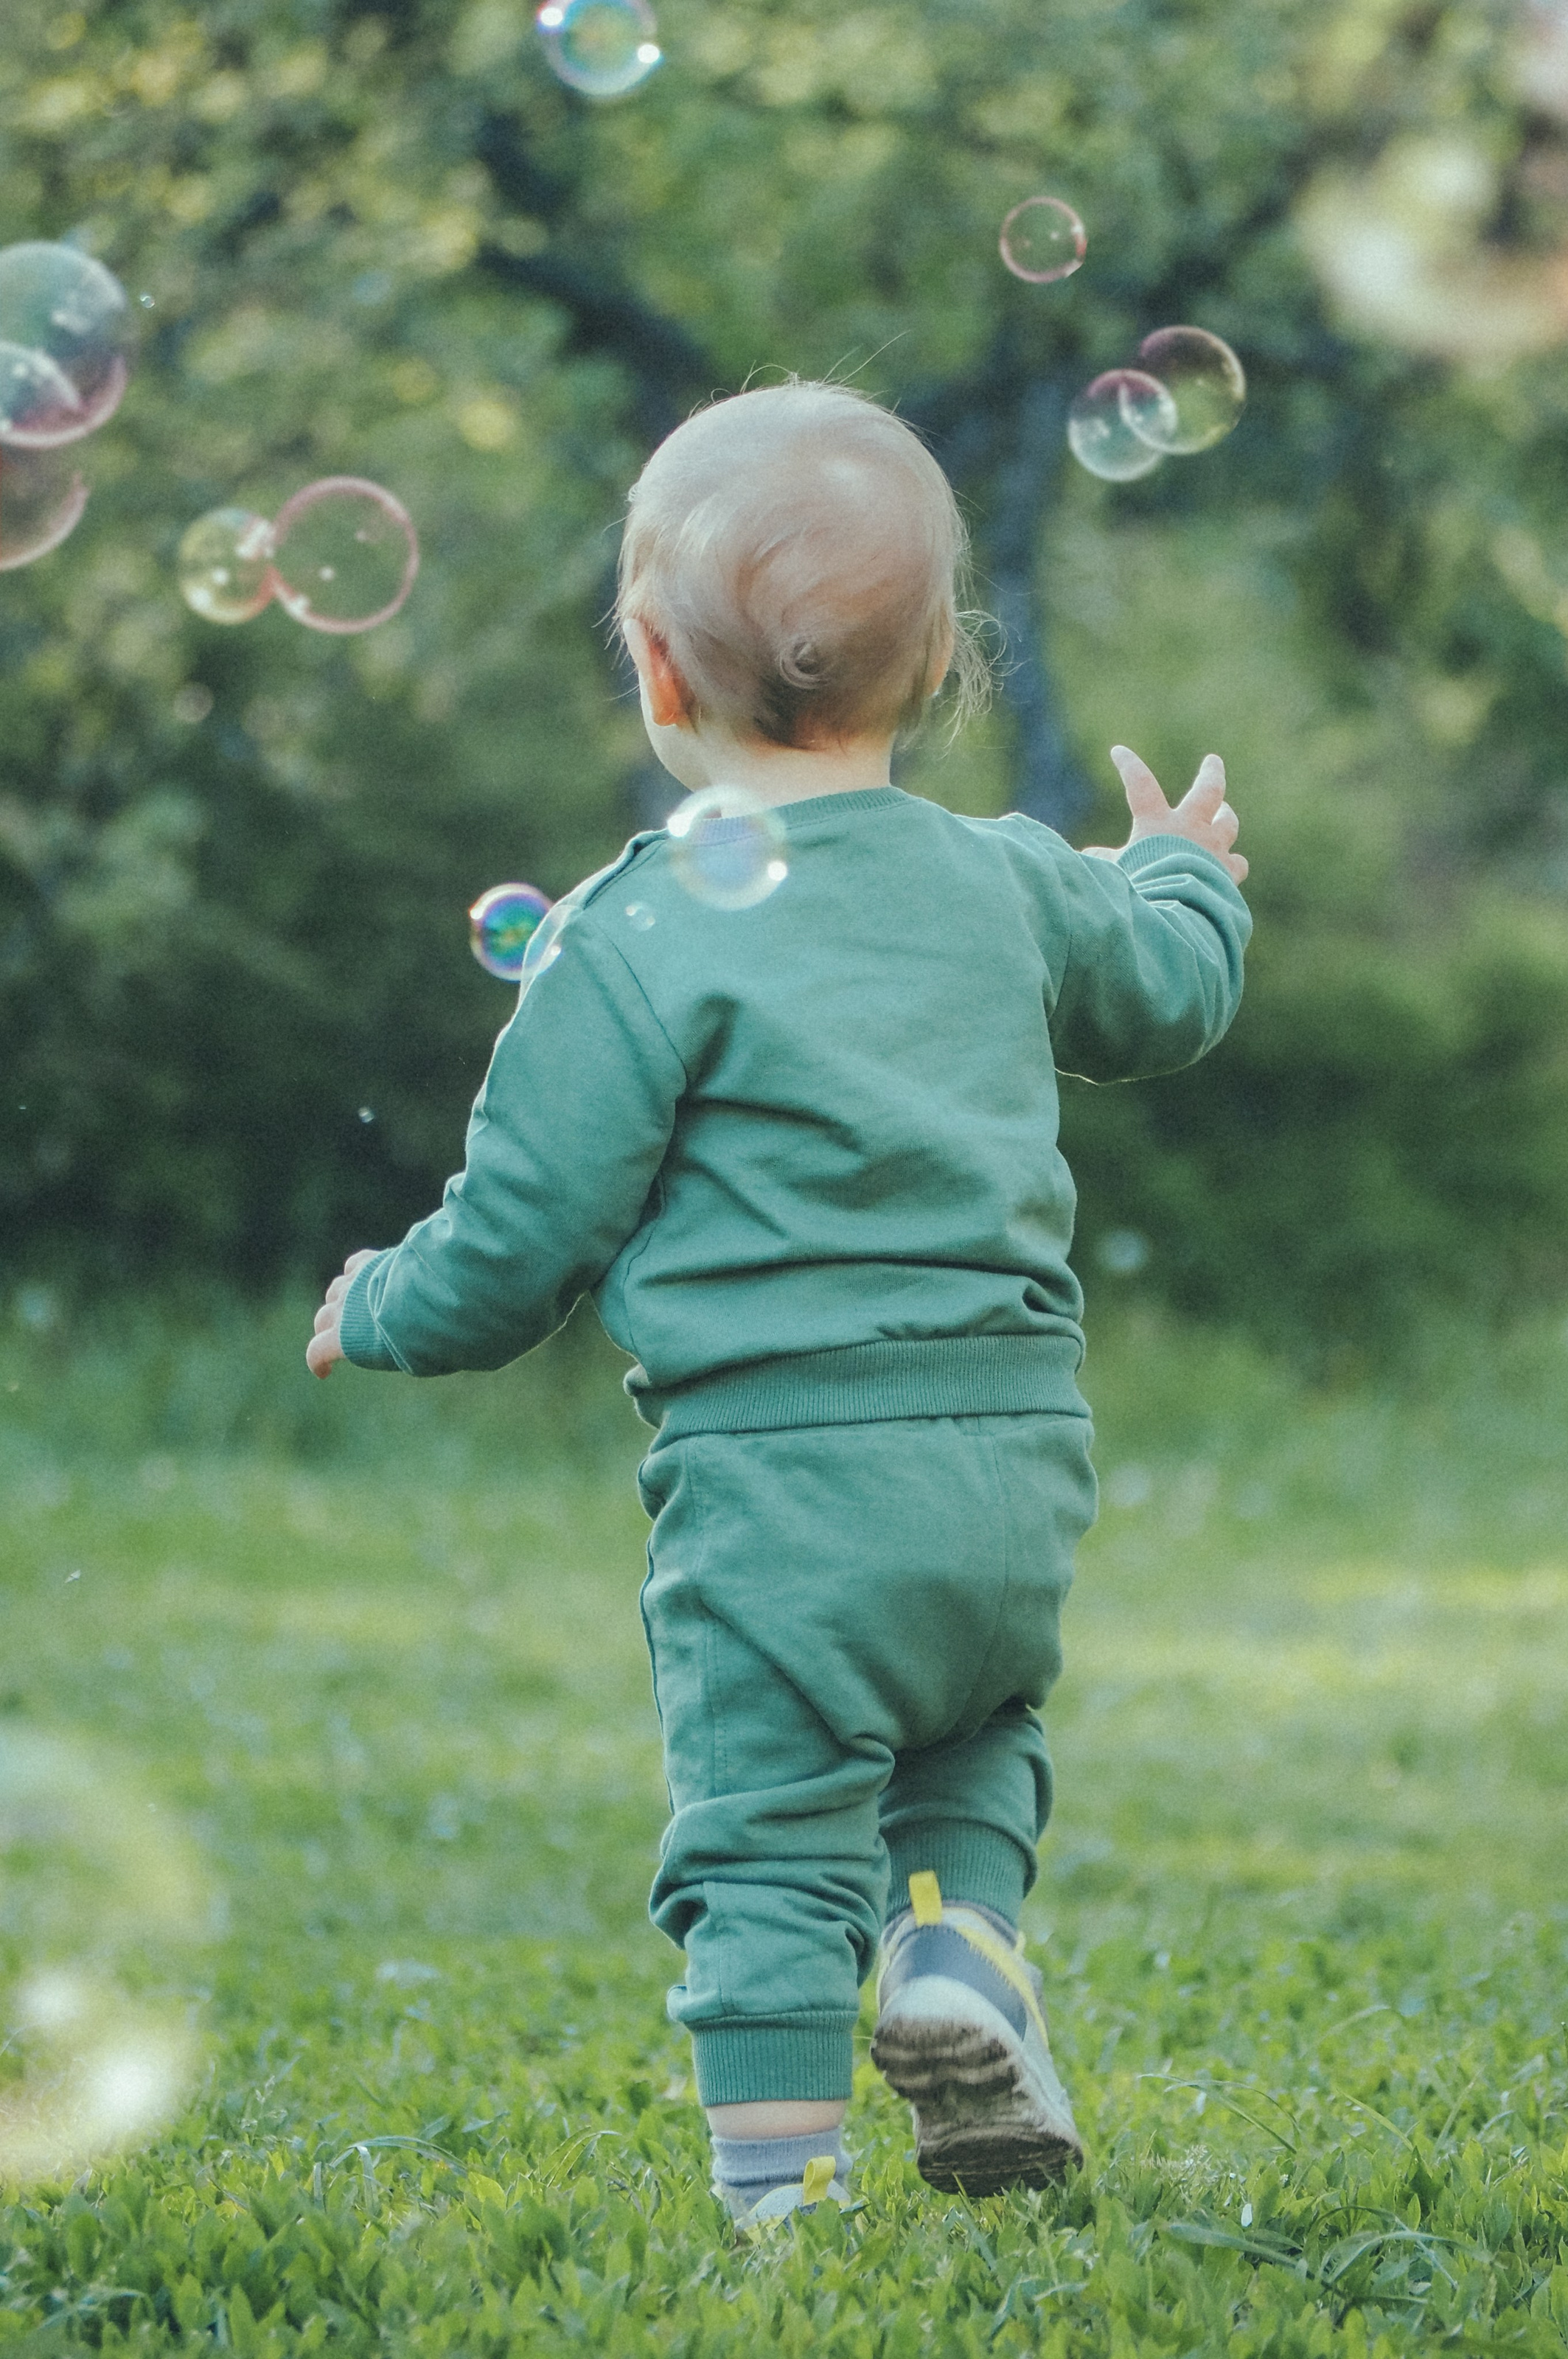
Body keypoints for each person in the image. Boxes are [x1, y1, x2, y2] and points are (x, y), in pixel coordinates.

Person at [306, 379, 1249, 2229]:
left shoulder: (632, 931)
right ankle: (965, 1946)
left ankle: (780, 2204)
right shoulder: (1007, 880)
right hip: (1010, 1468)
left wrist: (380, 1305)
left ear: (656, 672)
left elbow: (517, 1239)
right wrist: (1186, 882)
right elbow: (1163, 996)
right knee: (973, 1730)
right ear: (945, 669)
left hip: (781, 1492)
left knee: (767, 1833)